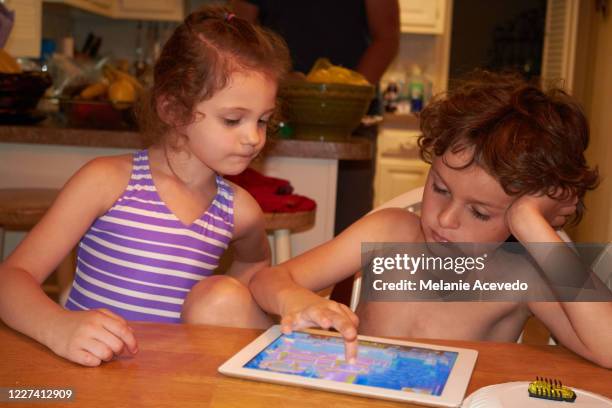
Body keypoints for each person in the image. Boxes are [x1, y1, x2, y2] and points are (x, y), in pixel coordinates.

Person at [248, 71, 612, 368]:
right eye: (440, 188)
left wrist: (532, 223)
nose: (446, 219)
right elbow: (268, 280)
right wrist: (297, 300)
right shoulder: (391, 232)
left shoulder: (522, 275)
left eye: (480, 212)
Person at [0, 6, 290, 367]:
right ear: (173, 109)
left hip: (173, 382)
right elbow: (12, 278)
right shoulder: (107, 181)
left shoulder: (239, 209)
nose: (253, 138)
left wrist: (221, 310)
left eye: (263, 120)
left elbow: (256, 260)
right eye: (233, 120)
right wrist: (57, 326)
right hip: (93, 374)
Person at [231, 0, 401, 304]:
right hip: (271, 101)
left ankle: (336, 310)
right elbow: (240, 28)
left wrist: (344, 90)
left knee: (348, 231)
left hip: (349, 119)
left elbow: (387, 36)